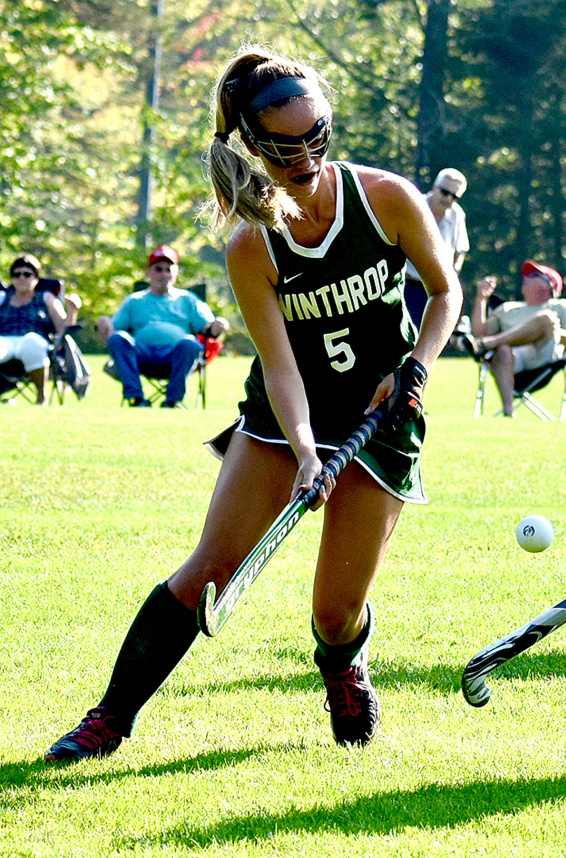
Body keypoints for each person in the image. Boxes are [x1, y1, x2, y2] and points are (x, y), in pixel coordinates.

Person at [44, 46, 462, 763]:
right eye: (283, 145)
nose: (303, 156)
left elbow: (445, 291)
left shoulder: (388, 198)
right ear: (250, 144)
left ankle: (341, 665)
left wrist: (415, 369)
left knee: (335, 612)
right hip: (282, 419)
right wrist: (304, 450)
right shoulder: (252, 245)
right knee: (209, 567)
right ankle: (107, 720)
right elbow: (278, 367)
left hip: (383, 413)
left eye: (316, 136)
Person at [97, 245, 229, 408]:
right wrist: (103, 321)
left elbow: (209, 330)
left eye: (169, 269)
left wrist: (219, 326)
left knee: (190, 342)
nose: (164, 274)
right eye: (158, 269)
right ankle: (136, 399)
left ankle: (172, 401)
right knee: (118, 339)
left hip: (175, 356)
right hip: (142, 355)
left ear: (176, 272)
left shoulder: (189, 299)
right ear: (149, 271)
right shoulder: (134, 300)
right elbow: (112, 331)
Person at [461, 260, 566, 417]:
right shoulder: (507, 308)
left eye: (534, 275)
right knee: (503, 349)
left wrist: (550, 330)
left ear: (549, 286)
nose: (526, 277)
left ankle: (493, 343)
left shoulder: (561, 306)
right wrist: (481, 299)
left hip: (544, 357)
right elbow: (479, 334)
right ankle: (508, 411)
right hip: (510, 361)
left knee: (546, 319)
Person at [0, 253, 80, 404]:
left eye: (27, 274)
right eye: (17, 275)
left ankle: (41, 396)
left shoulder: (46, 298)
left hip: (35, 340)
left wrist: (72, 311)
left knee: (31, 343)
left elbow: (63, 329)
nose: (22, 278)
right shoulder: (3, 298)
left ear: (36, 277)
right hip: (5, 340)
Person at [403, 168, 470, 326]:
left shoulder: (457, 215)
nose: (448, 199)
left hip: (436, 288)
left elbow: (461, 249)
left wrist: (454, 272)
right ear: (434, 188)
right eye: (445, 192)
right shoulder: (412, 204)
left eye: (455, 196)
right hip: (406, 283)